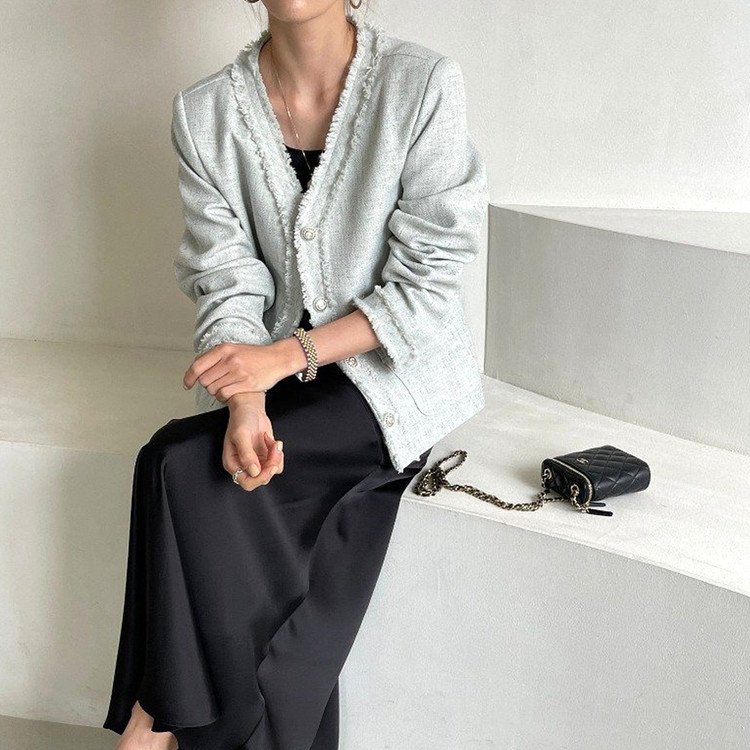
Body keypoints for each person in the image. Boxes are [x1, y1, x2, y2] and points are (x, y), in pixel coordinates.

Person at [102, 2, 489, 749]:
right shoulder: (205, 112)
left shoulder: (421, 84)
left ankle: (158, 718)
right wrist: (246, 401)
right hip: (276, 380)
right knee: (177, 463)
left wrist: (285, 358)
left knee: (179, 467)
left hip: (392, 377)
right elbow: (226, 278)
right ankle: (177, 719)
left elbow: (430, 283)